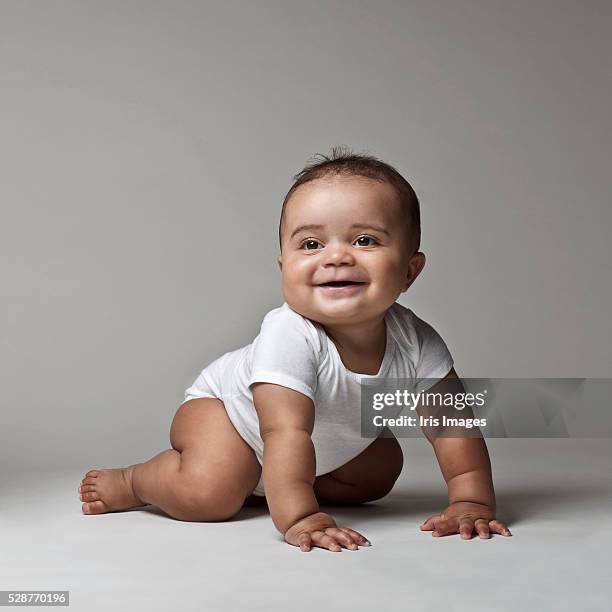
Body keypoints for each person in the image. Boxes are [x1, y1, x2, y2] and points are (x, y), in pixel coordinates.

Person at [78, 147, 511, 552]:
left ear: (410, 271)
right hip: (230, 418)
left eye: (364, 241)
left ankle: (276, 483)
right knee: (210, 493)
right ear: (284, 265)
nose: (336, 257)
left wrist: (470, 501)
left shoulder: (416, 340)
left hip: (313, 444)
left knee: (378, 469)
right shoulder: (291, 335)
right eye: (310, 244)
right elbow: (284, 432)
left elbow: (454, 424)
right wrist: (302, 517)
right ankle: (137, 481)